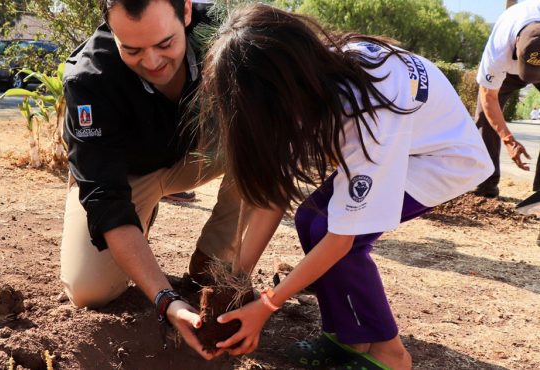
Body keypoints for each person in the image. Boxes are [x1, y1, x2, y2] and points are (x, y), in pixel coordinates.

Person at [195, 4, 493, 369]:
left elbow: (341, 240)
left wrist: (268, 303)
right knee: (309, 219)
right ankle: (349, 336)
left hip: (440, 159)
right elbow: (274, 193)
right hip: (404, 142)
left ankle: (390, 354)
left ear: (278, 90)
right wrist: (238, 280)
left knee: (334, 236)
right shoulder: (308, 77)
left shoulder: (364, 111)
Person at [60, 0, 247, 360]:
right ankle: (141, 217)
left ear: (187, 12)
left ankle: (214, 260)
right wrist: (167, 302)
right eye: (131, 49)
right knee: (89, 290)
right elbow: (106, 200)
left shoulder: (226, 30)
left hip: (195, 157)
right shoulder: (90, 80)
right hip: (125, 179)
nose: (152, 62)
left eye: (165, 44)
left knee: (261, 137)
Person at [472, 0, 540, 198]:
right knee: (485, 116)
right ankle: (485, 184)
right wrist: (509, 140)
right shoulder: (498, 49)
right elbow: (489, 97)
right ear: (517, 43)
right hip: (507, 72)